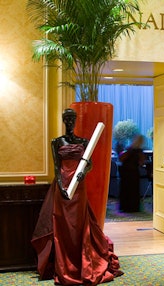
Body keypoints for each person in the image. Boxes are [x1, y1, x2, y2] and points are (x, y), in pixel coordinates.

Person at [31, 108, 123, 285]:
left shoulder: (84, 141)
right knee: (63, 225)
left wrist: (84, 173)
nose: (70, 122)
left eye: (73, 119)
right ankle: (64, 265)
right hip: (62, 187)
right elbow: (57, 168)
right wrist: (62, 187)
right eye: (67, 119)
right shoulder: (56, 142)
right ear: (64, 121)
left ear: (76, 120)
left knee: (79, 225)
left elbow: (90, 164)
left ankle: (83, 263)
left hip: (79, 187)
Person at [118, 134, 145, 212]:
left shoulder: (129, 149)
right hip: (132, 172)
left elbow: (121, 158)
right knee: (133, 190)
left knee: (127, 189)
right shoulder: (137, 151)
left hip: (127, 172)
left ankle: (126, 207)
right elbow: (141, 163)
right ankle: (132, 207)